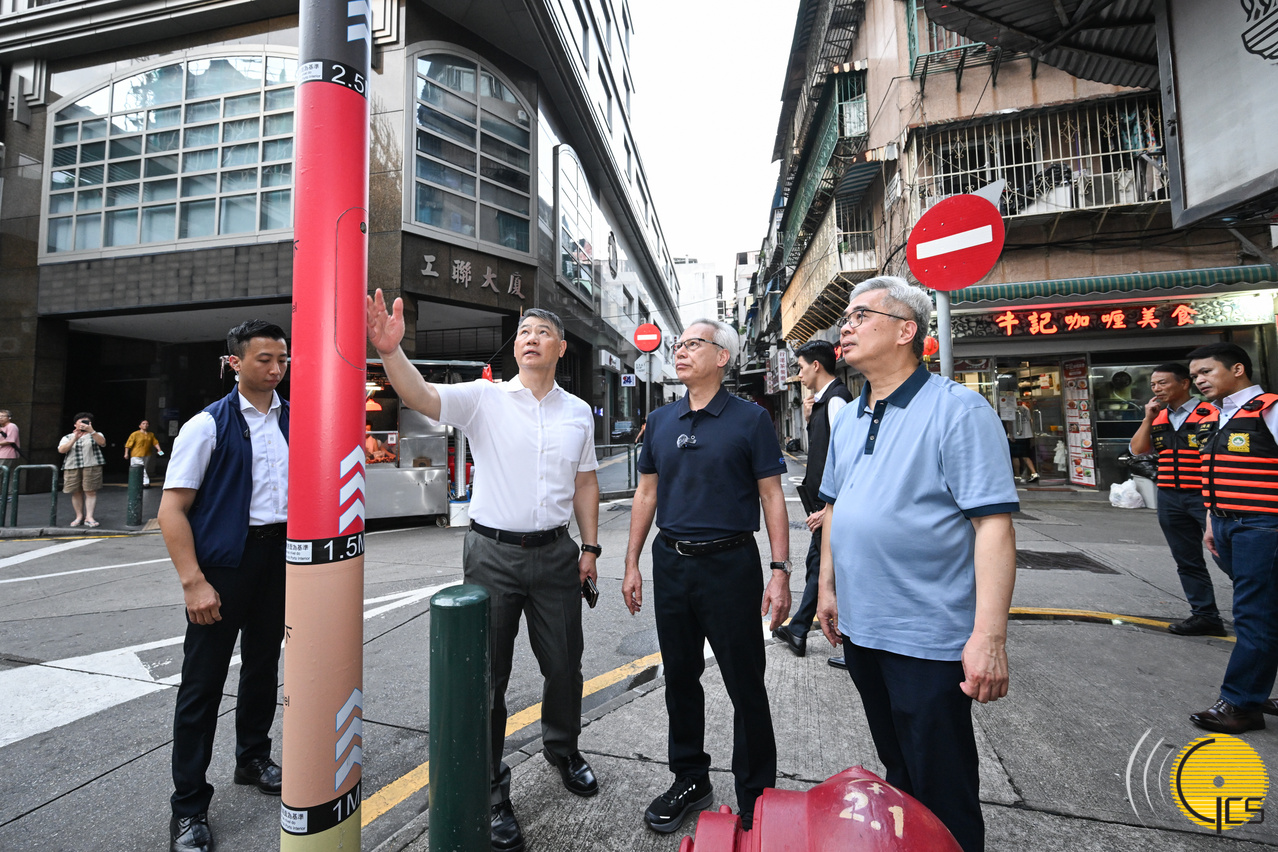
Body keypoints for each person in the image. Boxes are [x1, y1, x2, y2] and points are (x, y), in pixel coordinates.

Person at [368, 290, 601, 852]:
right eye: (523, 333)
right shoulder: (484, 398)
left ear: (561, 348)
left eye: (542, 333)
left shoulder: (577, 412)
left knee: (565, 665)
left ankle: (563, 749)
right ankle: (493, 788)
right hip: (492, 554)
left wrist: (590, 548)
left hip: (556, 553)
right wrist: (391, 353)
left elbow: (585, 481)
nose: (530, 339)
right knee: (488, 677)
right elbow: (421, 395)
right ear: (515, 347)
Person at [814, 276, 1018, 852]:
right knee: (899, 771)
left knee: (941, 784)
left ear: (907, 331)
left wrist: (989, 637)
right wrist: (828, 588)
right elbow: (835, 508)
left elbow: (994, 526)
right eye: (846, 318)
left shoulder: (958, 410)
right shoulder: (848, 417)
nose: (846, 327)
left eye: (861, 315)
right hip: (862, 629)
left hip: (927, 637)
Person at [622, 318, 791, 834]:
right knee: (679, 678)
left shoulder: (751, 419)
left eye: (693, 343)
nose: (680, 350)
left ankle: (756, 795)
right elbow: (646, 494)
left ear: (722, 357)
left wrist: (780, 571)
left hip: (730, 565)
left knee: (745, 683)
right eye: (679, 344)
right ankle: (690, 778)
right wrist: (630, 563)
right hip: (671, 563)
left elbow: (771, 496)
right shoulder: (661, 420)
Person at [158, 320, 290, 852]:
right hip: (224, 565)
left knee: (263, 665)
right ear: (235, 363)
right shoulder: (206, 425)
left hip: (279, 558)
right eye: (264, 359)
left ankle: (252, 757)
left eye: (282, 358)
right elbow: (171, 510)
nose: (276, 368)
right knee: (202, 684)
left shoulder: (294, 419)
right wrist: (194, 582)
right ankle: (189, 807)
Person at [1186, 342, 1278, 734]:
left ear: (1238, 369)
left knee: (1254, 613)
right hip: (1225, 525)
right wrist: (1212, 521)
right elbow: (1215, 474)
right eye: (1195, 375)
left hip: (1262, 525)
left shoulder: (1270, 410)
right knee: (1266, 610)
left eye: (1206, 371)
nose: (1199, 380)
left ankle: (1240, 704)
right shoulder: (1215, 415)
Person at [1129, 363, 1225, 637]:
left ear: (1184, 383)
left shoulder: (1211, 412)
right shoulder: (1158, 416)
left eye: (1163, 383)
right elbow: (1138, 450)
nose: (1157, 389)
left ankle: (1257, 616)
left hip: (1205, 496)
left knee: (1227, 557)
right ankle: (1205, 615)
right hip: (1170, 496)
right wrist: (1147, 419)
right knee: (1187, 560)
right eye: (1153, 385)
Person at [771, 339, 852, 662]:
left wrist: (832, 508)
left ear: (816, 365)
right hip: (823, 503)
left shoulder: (837, 400)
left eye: (802, 367)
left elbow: (846, 457)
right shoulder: (822, 402)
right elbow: (823, 450)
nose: (799, 373)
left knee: (825, 566)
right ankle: (800, 628)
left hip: (832, 505)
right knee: (817, 564)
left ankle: (807, 629)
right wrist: (807, 418)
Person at [58, 412, 107, 528]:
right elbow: (61, 450)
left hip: (92, 465)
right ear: (75, 424)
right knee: (75, 492)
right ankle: (79, 516)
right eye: (81, 422)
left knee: (91, 491)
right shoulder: (67, 437)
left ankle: (89, 517)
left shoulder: (96, 434)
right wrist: (74, 439)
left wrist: (92, 431)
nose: (84, 424)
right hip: (72, 466)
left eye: (86, 422)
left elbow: (102, 443)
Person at [124, 418, 163, 487]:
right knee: (142, 468)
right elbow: (128, 444)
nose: (145, 425)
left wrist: (159, 449)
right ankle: (146, 482)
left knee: (144, 468)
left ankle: (138, 482)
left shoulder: (151, 434)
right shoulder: (135, 434)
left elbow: (155, 442)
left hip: (147, 454)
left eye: (147, 424)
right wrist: (126, 453)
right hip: (136, 454)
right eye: (143, 424)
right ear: (140, 426)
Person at [1007, 402, 1039, 483]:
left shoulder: (1010, 409)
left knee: (1015, 456)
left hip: (1016, 435)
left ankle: (1017, 475)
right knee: (1025, 456)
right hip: (1026, 434)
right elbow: (1030, 420)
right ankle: (1034, 473)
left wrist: (1010, 434)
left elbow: (1009, 423)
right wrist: (1031, 433)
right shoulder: (1026, 408)